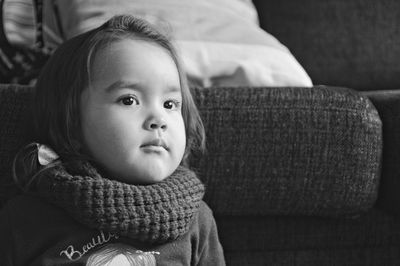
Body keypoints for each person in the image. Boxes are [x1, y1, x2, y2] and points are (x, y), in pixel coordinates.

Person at [0, 15, 225, 266]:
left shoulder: (197, 219)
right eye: (129, 100)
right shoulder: (26, 218)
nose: (158, 119)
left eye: (170, 104)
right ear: (71, 120)